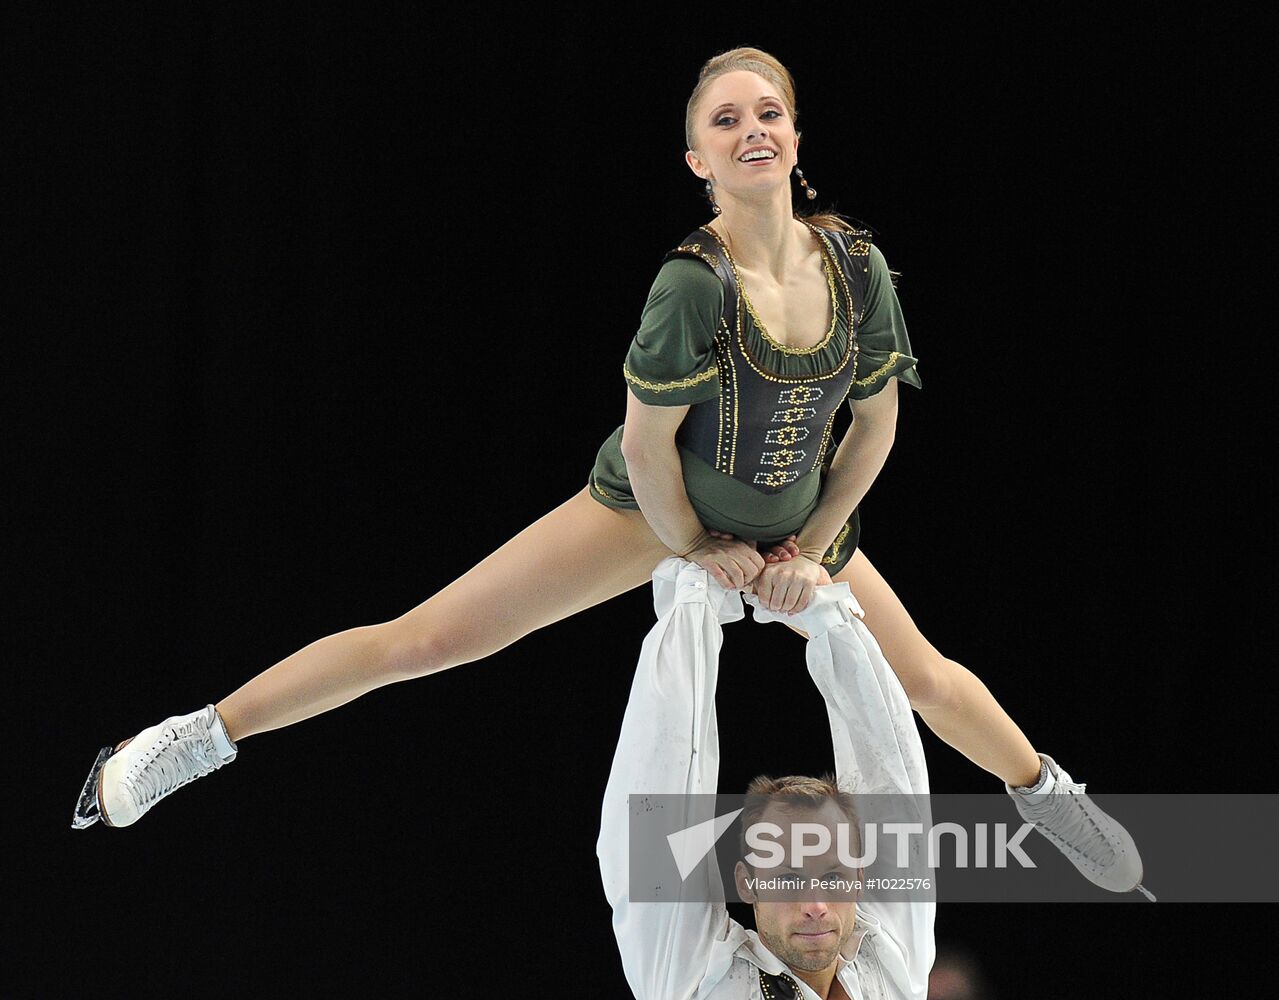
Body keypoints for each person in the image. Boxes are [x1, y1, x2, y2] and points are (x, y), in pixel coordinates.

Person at [69, 46, 1149, 902]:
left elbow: (872, 428)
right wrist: (699, 549)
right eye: (724, 120)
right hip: (652, 511)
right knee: (433, 639)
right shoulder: (690, 284)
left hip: (799, 525)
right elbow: (643, 446)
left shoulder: (856, 266)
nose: (750, 129)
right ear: (697, 160)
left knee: (924, 680)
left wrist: (810, 547)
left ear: (796, 134)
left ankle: (1048, 796)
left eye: (766, 111)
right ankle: (194, 739)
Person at [598, 554, 935, 999]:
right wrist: (703, 597)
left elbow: (892, 773)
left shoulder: (889, 955)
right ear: (747, 883)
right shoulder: (690, 979)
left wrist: (818, 607)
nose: (816, 906)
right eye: (788, 879)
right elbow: (659, 779)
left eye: (833, 879)